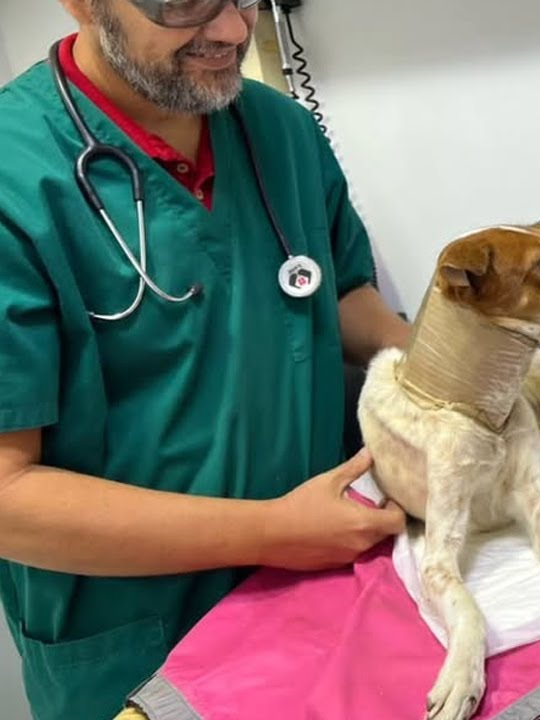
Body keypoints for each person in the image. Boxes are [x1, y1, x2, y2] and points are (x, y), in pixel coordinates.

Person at [0, 1, 412, 718]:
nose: (231, 31)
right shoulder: (16, 178)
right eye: (186, 1)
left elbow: (335, 292)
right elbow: (8, 498)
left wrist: (463, 371)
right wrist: (274, 533)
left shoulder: (279, 129)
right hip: (141, 647)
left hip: (328, 599)